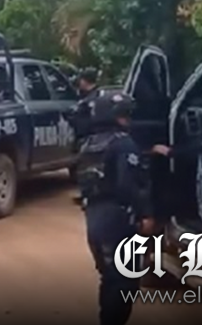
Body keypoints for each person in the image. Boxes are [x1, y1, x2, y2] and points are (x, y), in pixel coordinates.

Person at [77, 91, 154, 325]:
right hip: (117, 220)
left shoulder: (88, 144)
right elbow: (127, 185)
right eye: (124, 114)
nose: (128, 119)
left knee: (110, 278)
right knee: (124, 283)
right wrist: (145, 214)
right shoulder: (123, 144)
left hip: (94, 219)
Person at [69, 68, 102, 139]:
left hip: (90, 136)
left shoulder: (93, 99)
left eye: (80, 80)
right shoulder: (83, 95)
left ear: (84, 81)